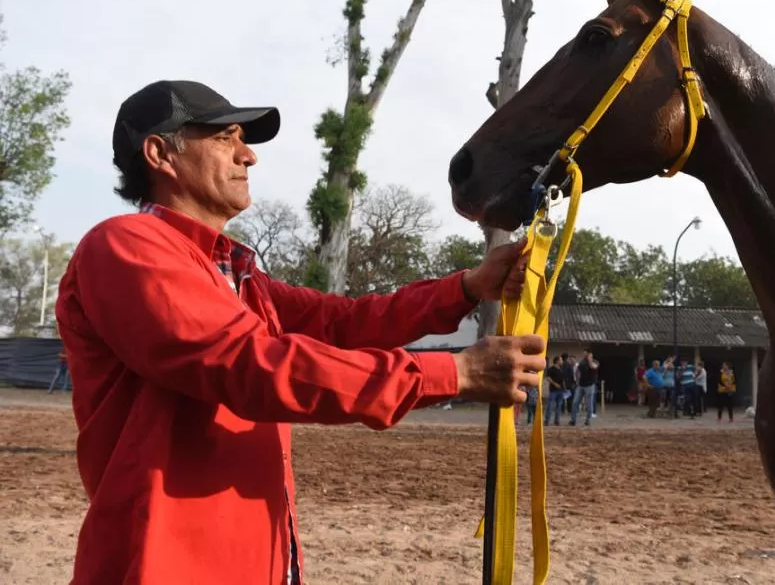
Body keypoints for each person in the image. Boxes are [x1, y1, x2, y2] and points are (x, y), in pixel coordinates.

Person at [54, 80, 544, 585]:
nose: (248, 156)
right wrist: (453, 372)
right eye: (223, 139)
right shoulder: (126, 246)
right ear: (160, 154)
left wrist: (466, 287)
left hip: (257, 560)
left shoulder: (239, 277)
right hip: (163, 565)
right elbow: (248, 364)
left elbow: (343, 323)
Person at [570, 348, 599, 426]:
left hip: (590, 385)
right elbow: (578, 370)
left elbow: (593, 367)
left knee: (589, 404)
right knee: (575, 402)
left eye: (586, 353)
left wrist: (589, 360)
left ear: (590, 354)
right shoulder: (582, 362)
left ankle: (588, 420)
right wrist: (577, 380)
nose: (584, 355)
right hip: (581, 385)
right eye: (584, 353)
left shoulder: (595, 361)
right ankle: (573, 420)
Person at [544, 356, 566, 425]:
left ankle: (557, 420)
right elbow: (547, 378)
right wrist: (554, 383)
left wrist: (564, 388)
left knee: (559, 406)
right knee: (550, 405)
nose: (562, 361)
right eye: (561, 360)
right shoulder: (551, 369)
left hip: (561, 390)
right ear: (557, 361)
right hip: (553, 390)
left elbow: (563, 380)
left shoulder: (561, 369)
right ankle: (547, 420)